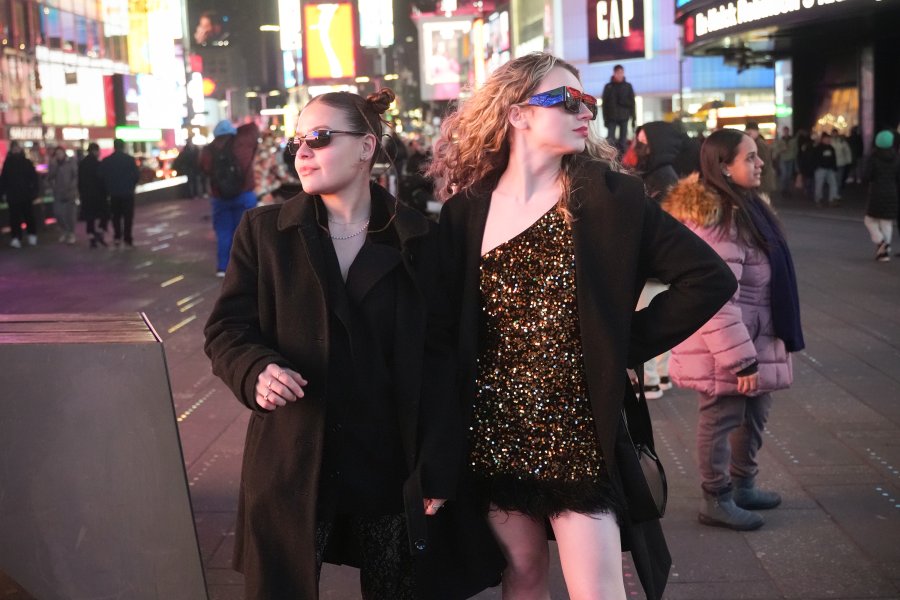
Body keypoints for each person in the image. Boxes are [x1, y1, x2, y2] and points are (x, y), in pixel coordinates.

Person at [427, 52, 737, 600]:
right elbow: (442, 336)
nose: (586, 112)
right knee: (523, 572)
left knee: (597, 588)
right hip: (492, 429)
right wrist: (435, 448)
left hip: (579, 433)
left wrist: (620, 344)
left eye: (587, 101)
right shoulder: (465, 213)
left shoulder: (610, 197)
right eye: (567, 100)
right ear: (517, 113)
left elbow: (708, 278)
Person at [204, 88, 496, 600]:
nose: (302, 152)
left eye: (319, 138)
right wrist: (256, 370)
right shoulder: (266, 232)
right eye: (297, 142)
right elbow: (227, 329)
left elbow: (441, 361)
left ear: (366, 147)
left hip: (388, 460)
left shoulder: (418, 241)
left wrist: (436, 464)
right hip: (294, 455)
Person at [663, 128, 805, 531]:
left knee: (754, 415)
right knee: (722, 417)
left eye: (758, 156)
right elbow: (716, 299)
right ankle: (717, 497)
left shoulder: (747, 209)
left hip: (755, 337)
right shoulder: (719, 221)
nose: (760, 163)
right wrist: (741, 360)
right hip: (726, 346)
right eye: (750, 157)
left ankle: (743, 485)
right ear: (724, 167)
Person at [633, 121, 684, 399]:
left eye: (643, 142)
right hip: (662, 265)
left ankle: (650, 380)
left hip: (655, 264)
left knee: (648, 321)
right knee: (657, 319)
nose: (638, 147)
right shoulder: (663, 174)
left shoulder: (660, 177)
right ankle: (659, 377)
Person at [199, 120, 259, 276]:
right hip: (244, 195)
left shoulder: (208, 150)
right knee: (245, 232)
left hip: (220, 197)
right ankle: (245, 268)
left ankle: (223, 268)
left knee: (223, 232)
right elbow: (253, 128)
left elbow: (204, 169)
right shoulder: (242, 145)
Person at [863, 130, 900, 262]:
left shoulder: (874, 157)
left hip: (877, 192)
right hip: (892, 192)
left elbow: (867, 175)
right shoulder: (896, 158)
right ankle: (884, 253)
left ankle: (881, 242)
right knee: (886, 222)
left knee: (869, 220)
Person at [100, 138, 140, 248]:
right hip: (127, 193)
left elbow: (101, 176)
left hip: (114, 194)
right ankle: (127, 238)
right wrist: (131, 186)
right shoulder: (130, 160)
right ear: (123, 147)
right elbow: (136, 176)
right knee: (128, 217)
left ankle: (117, 236)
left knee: (116, 216)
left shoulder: (107, 161)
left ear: (114, 147)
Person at [0, 141, 39, 248]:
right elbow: (4, 180)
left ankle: (20, 237)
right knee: (19, 217)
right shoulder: (24, 162)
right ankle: (26, 236)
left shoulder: (10, 163)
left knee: (24, 216)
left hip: (18, 195)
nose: (16, 150)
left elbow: (3, 180)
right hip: (19, 194)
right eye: (14, 148)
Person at [78, 142, 108, 248]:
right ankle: (100, 232)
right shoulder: (98, 164)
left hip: (86, 195)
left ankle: (91, 237)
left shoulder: (82, 164)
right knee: (104, 214)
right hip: (98, 195)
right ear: (95, 151)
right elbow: (102, 180)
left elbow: (79, 181)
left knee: (89, 217)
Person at [48, 146, 79, 244]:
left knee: (70, 214)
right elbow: (50, 177)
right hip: (58, 192)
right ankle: (65, 230)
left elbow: (75, 176)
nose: (59, 155)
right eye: (57, 154)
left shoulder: (70, 163)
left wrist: (72, 187)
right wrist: (53, 186)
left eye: (60, 153)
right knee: (58, 213)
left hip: (70, 192)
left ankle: (71, 233)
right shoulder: (54, 164)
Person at [601, 64, 635, 153]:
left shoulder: (628, 86)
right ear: (614, 73)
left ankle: (623, 159)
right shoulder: (608, 87)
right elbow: (604, 104)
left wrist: (634, 118)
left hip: (624, 117)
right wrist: (605, 119)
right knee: (610, 141)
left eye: (622, 72)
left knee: (623, 141)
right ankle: (610, 158)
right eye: (618, 72)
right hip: (611, 117)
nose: (620, 75)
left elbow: (632, 103)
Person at [744, 122, 776, 199]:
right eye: (747, 133)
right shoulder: (758, 142)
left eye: (750, 133)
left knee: (762, 201)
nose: (748, 135)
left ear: (756, 132)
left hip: (762, 182)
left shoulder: (759, 144)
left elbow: (763, 164)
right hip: (762, 181)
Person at [813, 132, 839, 207]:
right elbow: (815, 158)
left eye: (829, 139)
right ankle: (818, 199)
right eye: (827, 139)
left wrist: (834, 167)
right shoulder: (818, 148)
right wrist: (816, 166)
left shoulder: (831, 148)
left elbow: (834, 159)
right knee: (819, 184)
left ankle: (832, 199)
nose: (828, 140)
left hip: (830, 169)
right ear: (822, 139)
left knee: (833, 184)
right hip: (821, 168)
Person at [772, 126, 797, 196]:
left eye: (787, 131)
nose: (786, 132)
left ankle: (788, 189)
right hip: (783, 159)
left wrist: (794, 156)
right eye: (785, 131)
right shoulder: (780, 140)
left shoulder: (793, 140)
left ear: (788, 131)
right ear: (783, 132)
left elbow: (795, 149)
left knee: (789, 175)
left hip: (790, 158)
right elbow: (776, 149)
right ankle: (783, 189)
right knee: (784, 174)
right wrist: (781, 150)